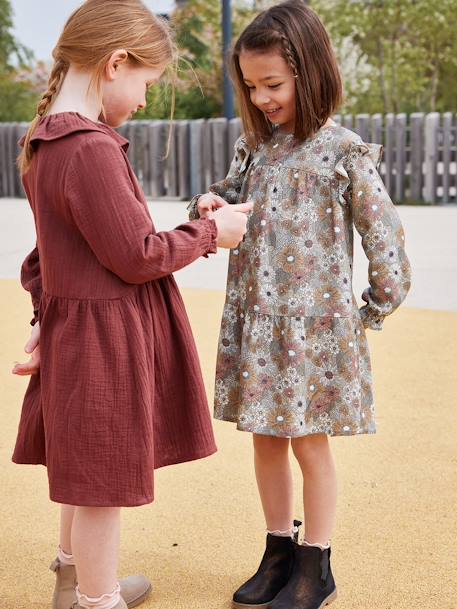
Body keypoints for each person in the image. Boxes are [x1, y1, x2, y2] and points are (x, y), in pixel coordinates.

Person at [11, 2, 252, 609]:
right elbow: (136, 256)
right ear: (115, 63)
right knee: (103, 482)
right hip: (103, 336)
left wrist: (45, 318)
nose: (144, 101)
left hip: (76, 324)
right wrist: (211, 236)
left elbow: (59, 251)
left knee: (84, 468)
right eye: (145, 83)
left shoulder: (46, 142)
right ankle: (99, 599)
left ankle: (75, 581)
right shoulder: (89, 147)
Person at [188, 1, 411, 607]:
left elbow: (383, 232)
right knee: (265, 441)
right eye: (252, 86)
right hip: (260, 327)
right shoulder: (255, 148)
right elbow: (228, 197)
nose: (261, 98)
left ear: (309, 73)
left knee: (311, 444)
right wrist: (207, 206)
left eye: (273, 85)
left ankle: (317, 562)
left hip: (314, 329)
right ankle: (277, 550)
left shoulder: (343, 150)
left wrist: (375, 305)